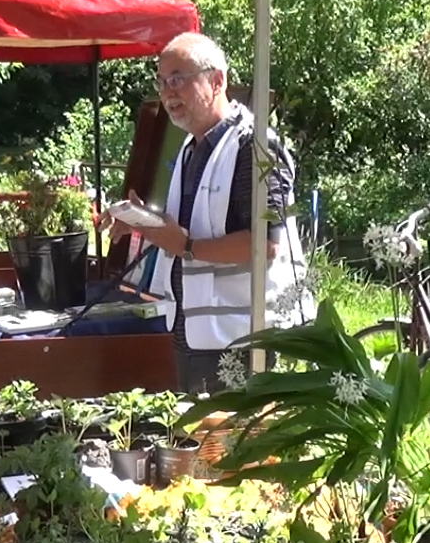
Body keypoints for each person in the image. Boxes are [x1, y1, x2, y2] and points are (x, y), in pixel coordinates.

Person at [126, 32, 312, 393]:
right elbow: (185, 229)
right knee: (205, 446)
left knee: (243, 447)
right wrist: (140, 222)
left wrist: (189, 247)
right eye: (162, 81)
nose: (167, 92)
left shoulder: (256, 147)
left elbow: (267, 245)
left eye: (178, 79)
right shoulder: (190, 148)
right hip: (196, 337)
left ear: (216, 81)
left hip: (248, 342)